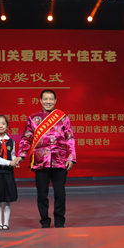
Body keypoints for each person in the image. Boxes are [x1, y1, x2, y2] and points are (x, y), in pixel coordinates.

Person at [15, 89, 76, 228]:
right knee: (42, 194)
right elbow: (26, 138)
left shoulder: (63, 118)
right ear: (41, 101)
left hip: (60, 160)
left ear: (55, 101)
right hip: (40, 161)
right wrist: (22, 155)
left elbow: (69, 138)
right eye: (45, 99)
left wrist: (71, 157)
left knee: (60, 193)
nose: (48, 102)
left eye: (51, 99)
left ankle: (59, 221)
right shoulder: (33, 118)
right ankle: (45, 221)